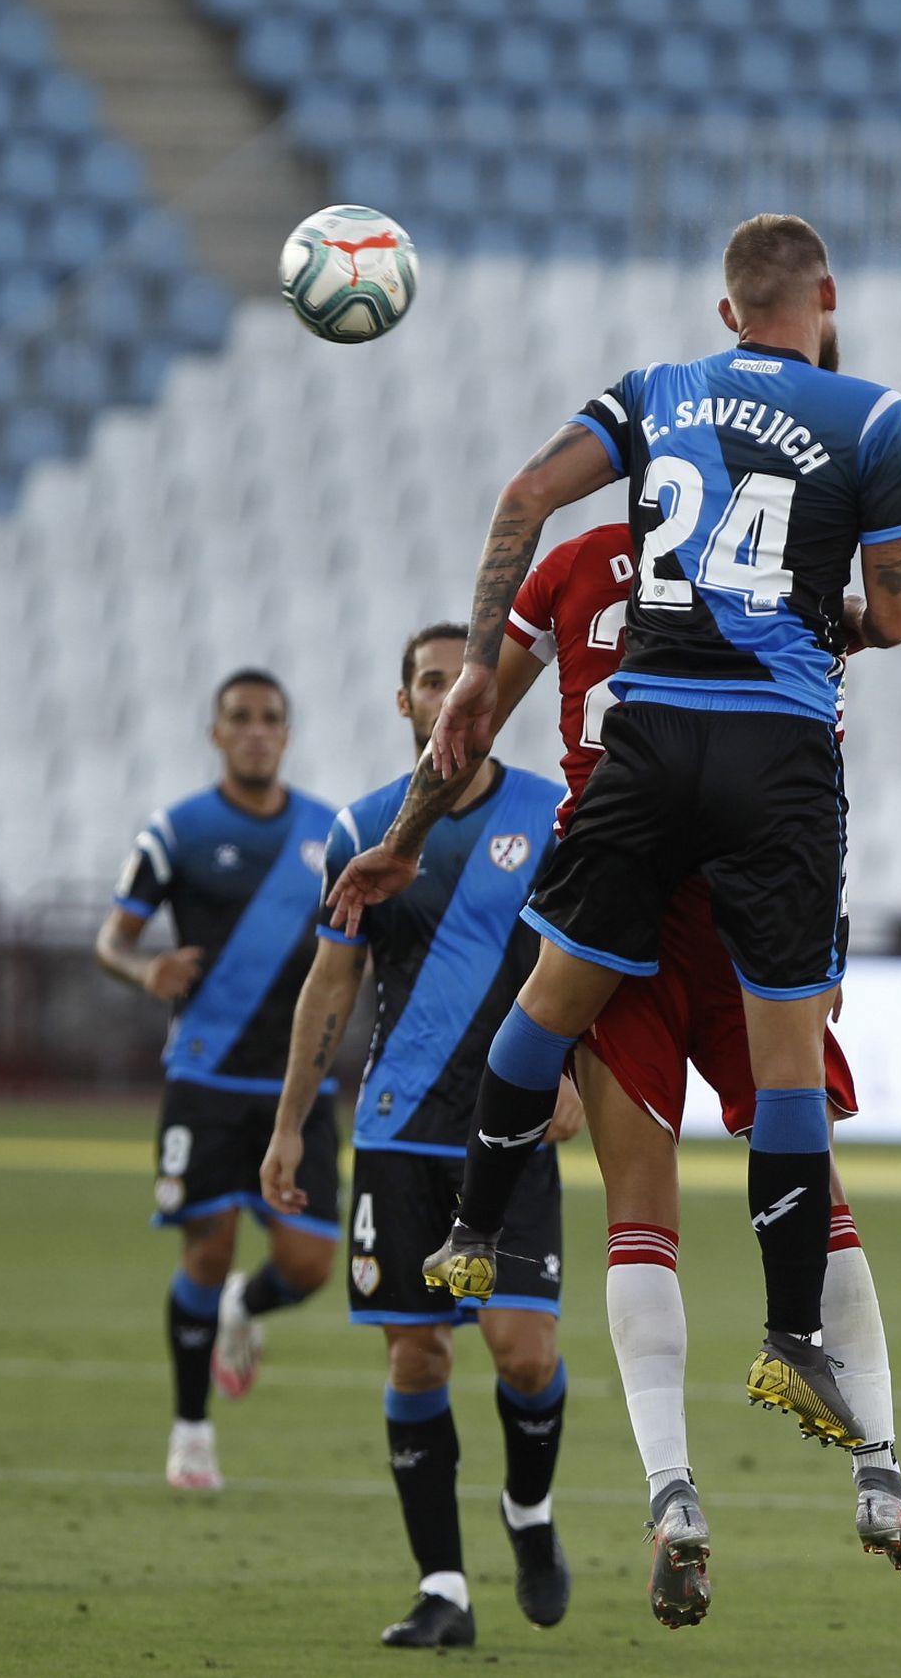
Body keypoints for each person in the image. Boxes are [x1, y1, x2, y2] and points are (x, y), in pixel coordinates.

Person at [334, 524, 901, 1630]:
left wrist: (409, 836)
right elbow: (823, 761)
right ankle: (879, 1476)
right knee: (817, 1188)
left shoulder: (577, 560)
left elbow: (470, 719)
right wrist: (827, 939)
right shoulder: (781, 561)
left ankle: (673, 1498)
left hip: (612, 884)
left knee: (637, 1213)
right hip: (752, 893)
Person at [409, 210, 901, 1469]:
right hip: (776, 758)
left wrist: (478, 668)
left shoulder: (652, 392)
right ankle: (791, 1336)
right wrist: (828, 617)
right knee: (787, 1063)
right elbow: (898, 616)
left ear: (724, 309)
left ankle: (474, 1226)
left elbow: (525, 495)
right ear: (825, 296)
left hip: (644, 738)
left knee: (550, 998)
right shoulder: (873, 417)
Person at [260, 623, 581, 1651]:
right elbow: (331, 980)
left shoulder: (551, 815)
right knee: (417, 1358)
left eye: (465, 683)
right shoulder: (361, 830)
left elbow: (601, 953)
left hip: (510, 1123)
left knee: (523, 1352)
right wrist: (289, 1122)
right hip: (397, 1129)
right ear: (404, 702)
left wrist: (578, 1065)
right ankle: (442, 1584)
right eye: (429, 682)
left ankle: (527, 1514)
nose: (448, 697)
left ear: (489, 701)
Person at [95, 669, 339, 1493]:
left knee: (308, 1264)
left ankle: (247, 1305)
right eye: (240, 718)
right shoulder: (179, 831)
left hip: (297, 1087)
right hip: (204, 1076)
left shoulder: (328, 834)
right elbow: (111, 940)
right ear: (216, 732)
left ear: (287, 732)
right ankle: (191, 1430)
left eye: (271, 717)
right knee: (209, 1246)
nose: (256, 730)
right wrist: (144, 970)